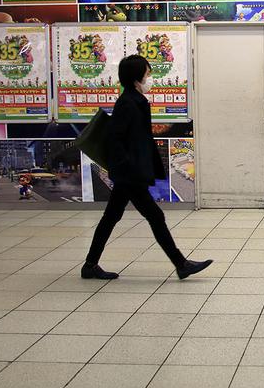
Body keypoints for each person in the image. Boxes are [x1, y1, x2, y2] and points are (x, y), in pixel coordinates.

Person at [81, 55, 212, 281]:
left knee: (111, 217)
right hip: (129, 174)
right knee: (154, 215)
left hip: (128, 173)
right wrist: (128, 169)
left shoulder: (134, 100)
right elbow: (116, 139)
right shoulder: (128, 103)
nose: (150, 78)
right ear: (136, 77)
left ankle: (90, 265)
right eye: (148, 74)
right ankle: (181, 264)